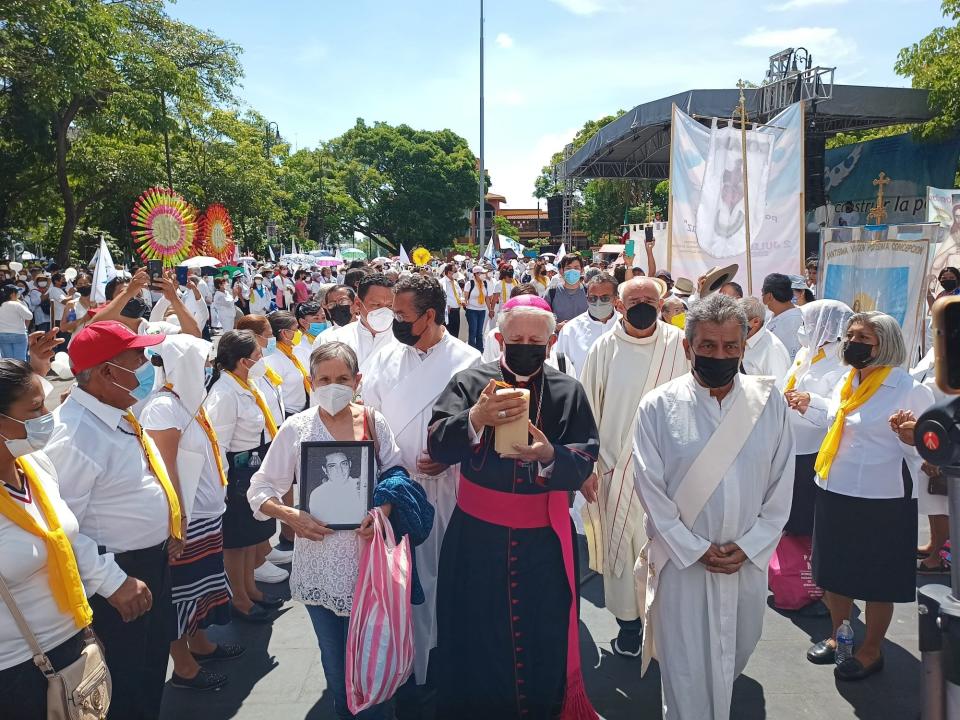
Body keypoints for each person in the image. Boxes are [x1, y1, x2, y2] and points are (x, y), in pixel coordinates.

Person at [428, 301, 600, 719]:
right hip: (476, 539)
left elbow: (586, 457)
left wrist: (549, 455)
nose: (525, 347)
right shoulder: (470, 382)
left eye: (534, 341)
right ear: (499, 339)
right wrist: (475, 417)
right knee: (476, 634)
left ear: (551, 341)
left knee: (543, 633)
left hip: (543, 541)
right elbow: (437, 444)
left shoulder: (568, 390)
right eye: (516, 340)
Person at [248, 342, 434, 720]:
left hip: (371, 572)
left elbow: (397, 473)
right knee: (337, 673)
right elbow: (260, 488)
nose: (334, 386)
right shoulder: (297, 427)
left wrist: (380, 510)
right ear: (311, 381)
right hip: (319, 566)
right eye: (325, 379)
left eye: (343, 378)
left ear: (357, 381)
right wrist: (290, 516)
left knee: (376, 670)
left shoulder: (373, 421)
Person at [633, 294, 795, 719]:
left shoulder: (768, 402)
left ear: (744, 347)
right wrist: (693, 548)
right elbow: (649, 487)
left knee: (731, 659)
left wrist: (753, 544)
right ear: (688, 348)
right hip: (683, 565)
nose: (718, 355)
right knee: (686, 674)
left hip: (745, 563)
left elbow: (781, 484)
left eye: (729, 347)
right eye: (707, 346)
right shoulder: (658, 406)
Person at [45, 321, 184, 719]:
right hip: (116, 577)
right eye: (137, 357)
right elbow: (60, 527)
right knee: (121, 686)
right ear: (107, 371)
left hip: (146, 565)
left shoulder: (115, 412)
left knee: (149, 672)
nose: (146, 365)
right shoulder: (75, 435)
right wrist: (111, 582)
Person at [0, 359, 151, 719]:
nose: (46, 416)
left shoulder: (35, 465)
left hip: (73, 644)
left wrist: (90, 619)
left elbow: (62, 537)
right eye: (34, 409)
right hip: (14, 668)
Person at [362, 275, 481, 710]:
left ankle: (438, 660)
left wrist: (453, 456)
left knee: (439, 576)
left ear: (430, 316)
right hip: (393, 488)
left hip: (446, 487)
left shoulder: (467, 361)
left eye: (402, 315)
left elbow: (480, 426)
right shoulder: (384, 355)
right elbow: (366, 417)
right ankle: (402, 665)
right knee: (398, 578)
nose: (394, 322)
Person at [797, 312, 933, 680]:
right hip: (833, 488)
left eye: (862, 338)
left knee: (876, 577)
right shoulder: (847, 378)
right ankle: (839, 634)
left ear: (883, 345)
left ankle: (872, 648)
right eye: (849, 335)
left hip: (882, 498)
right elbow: (842, 418)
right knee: (834, 570)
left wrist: (911, 438)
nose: (851, 343)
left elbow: (927, 449)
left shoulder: (907, 388)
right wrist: (811, 402)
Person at [579, 277, 688, 658]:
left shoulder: (681, 344)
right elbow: (588, 409)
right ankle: (628, 626)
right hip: (616, 470)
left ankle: (666, 628)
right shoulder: (603, 348)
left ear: (662, 304)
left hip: (671, 472)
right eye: (634, 299)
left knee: (667, 552)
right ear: (620, 307)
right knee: (622, 551)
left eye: (649, 299)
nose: (642, 304)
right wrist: (586, 466)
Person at [139, 335, 242, 692]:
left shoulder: (189, 402)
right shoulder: (163, 408)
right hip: (188, 519)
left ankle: (201, 645)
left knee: (200, 585)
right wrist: (177, 520)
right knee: (181, 593)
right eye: (202, 364)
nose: (209, 369)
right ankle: (183, 666)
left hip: (206, 514)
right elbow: (165, 470)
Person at [204, 330, 284, 622]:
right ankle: (238, 597)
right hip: (236, 471)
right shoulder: (224, 393)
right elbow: (218, 443)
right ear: (242, 361)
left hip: (256, 462)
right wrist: (222, 483)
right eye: (257, 355)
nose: (262, 358)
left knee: (253, 535)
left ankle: (251, 588)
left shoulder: (246, 384)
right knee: (236, 541)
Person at [781, 300, 854, 538]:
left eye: (807, 323)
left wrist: (809, 399)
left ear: (826, 326)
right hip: (791, 439)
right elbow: (789, 381)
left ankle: (804, 569)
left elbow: (837, 406)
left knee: (806, 509)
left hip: (816, 444)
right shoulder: (807, 351)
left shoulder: (843, 360)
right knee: (789, 507)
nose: (803, 328)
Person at [553, 272, 620, 380]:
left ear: (616, 299)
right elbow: (559, 372)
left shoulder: (626, 327)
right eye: (593, 298)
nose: (598, 303)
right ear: (587, 298)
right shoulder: (570, 330)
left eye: (605, 298)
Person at [326, 273, 395, 373]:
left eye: (389, 305)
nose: (384, 311)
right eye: (376, 305)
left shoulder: (405, 340)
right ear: (358, 304)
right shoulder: (336, 340)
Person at [265, 311, 311, 416]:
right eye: (295, 330)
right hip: (288, 414)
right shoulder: (273, 359)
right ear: (284, 333)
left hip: (302, 409)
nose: (299, 332)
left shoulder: (290, 351)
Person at [739, 297, 792, 382]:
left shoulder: (772, 349)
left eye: (739, 323)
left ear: (756, 322)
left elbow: (777, 391)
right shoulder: (741, 341)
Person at [762, 273, 804, 360]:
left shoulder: (793, 322)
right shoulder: (773, 315)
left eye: (762, 293)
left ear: (769, 296)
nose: (762, 296)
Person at [546, 254, 588, 326]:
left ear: (582, 270)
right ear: (561, 271)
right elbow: (544, 318)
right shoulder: (551, 293)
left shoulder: (589, 292)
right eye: (568, 268)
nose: (572, 271)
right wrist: (556, 326)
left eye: (576, 268)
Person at [0, 284, 33, 360]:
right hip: (19, 334)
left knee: (8, 361)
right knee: (20, 360)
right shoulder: (17, 304)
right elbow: (29, 316)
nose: (19, 294)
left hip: (2, 334)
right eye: (17, 292)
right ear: (12, 294)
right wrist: (20, 303)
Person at [463, 266, 490, 352]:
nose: (484, 275)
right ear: (476, 274)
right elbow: (465, 297)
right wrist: (465, 303)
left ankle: (480, 350)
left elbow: (487, 298)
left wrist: (490, 309)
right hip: (472, 310)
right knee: (473, 331)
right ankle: (471, 350)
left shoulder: (485, 283)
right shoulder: (469, 284)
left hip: (482, 310)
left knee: (479, 332)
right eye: (482, 273)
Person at [294, 301, 327, 365]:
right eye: (316, 318)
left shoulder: (327, 337)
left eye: (323, 318)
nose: (321, 322)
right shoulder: (299, 346)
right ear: (303, 322)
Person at [440, 262, 465, 339]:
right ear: (449, 272)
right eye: (455, 271)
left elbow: (460, 294)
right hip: (448, 312)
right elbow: (440, 297)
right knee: (448, 334)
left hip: (456, 310)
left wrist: (462, 300)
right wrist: (445, 305)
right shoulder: (441, 282)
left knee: (455, 332)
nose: (456, 273)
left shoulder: (455, 282)